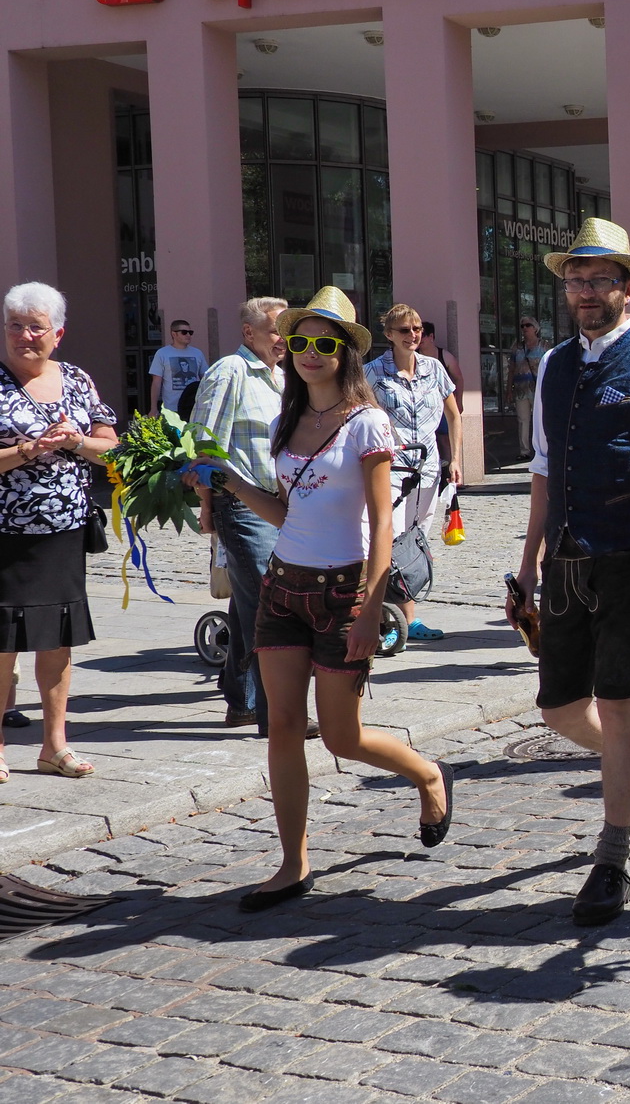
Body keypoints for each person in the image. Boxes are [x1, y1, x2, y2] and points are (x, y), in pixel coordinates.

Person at [192, 287, 451, 911]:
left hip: (345, 591)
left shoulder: (367, 422)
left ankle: (428, 775)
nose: (308, 352)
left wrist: (371, 606)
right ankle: (292, 862)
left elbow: (383, 524)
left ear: (345, 353)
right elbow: (288, 511)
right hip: (284, 586)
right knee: (281, 726)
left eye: (323, 343)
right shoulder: (290, 418)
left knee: (341, 738)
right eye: (299, 341)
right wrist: (227, 480)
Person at [510, 218, 630, 927]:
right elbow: (540, 469)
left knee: (619, 703)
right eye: (575, 278)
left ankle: (612, 855)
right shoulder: (556, 363)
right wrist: (528, 561)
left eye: (599, 278)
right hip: (564, 557)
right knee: (560, 707)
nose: (584, 291)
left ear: (628, 285)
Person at [0, 282, 118, 782]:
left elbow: (111, 446)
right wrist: (28, 450)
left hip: (64, 530)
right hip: (6, 533)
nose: (24, 335)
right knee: (2, 642)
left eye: (35, 326)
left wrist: (77, 441)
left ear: (58, 333)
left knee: (57, 640)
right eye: (14, 325)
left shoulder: (76, 379)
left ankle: (54, 746)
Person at [192, 298, 294, 736]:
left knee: (249, 601)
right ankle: (279, 715)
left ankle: (241, 700)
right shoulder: (229, 371)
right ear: (248, 333)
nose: (283, 340)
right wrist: (209, 505)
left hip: (282, 504)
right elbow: (203, 444)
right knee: (266, 607)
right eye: (275, 331)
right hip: (242, 503)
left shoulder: (284, 377)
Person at [364, 304, 463, 640]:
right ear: (389, 334)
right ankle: (383, 620)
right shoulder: (374, 373)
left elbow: (454, 416)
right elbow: (362, 417)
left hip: (429, 469)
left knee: (414, 544)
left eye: (417, 329)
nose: (413, 335)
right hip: (391, 470)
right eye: (404, 330)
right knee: (387, 542)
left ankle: (409, 619)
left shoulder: (434, 369)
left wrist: (457, 460)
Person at [417, 321, 465, 536]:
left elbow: (458, 378)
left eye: (422, 334)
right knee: (431, 441)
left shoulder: (443, 357)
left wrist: (459, 400)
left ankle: (448, 476)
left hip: (443, 406)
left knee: (444, 440)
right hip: (424, 412)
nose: (419, 338)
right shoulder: (413, 357)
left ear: (431, 336)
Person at [148, 319, 208, 418]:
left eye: (190, 332)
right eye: (184, 332)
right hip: (171, 408)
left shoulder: (197, 353)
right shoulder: (162, 353)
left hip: (194, 406)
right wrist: (153, 408)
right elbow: (156, 382)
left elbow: (205, 379)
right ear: (174, 334)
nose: (188, 335)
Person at [509, 318, 545, 460]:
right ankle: (524, 451)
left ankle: (542, 450)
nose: (524, 328)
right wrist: (509, 389)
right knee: (523, 420)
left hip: (539, 389)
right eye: (522, 325)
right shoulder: (517, 347)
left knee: (541, 420)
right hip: (521, 389)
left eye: (528, 325)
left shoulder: (544, 346)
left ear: (535, 328)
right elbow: (511, 369)